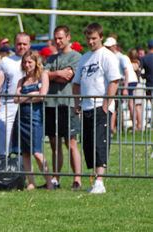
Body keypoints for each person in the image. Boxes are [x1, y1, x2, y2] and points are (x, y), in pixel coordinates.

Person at [72, 23, 120, 194]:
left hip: (101, 106)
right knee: (88, 144)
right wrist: (77, 103)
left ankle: (100, 180)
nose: (91, 41)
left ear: (100, 37)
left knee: (100, 142)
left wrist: (106, 104)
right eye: (88, 38)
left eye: (94, 38)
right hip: (86, 107)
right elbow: (76, 83)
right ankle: (94, 179)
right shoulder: (84, 58)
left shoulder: (107, 56)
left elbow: (114, 81)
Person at [44, 25, 82, 190]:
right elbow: (44, 74)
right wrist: (56, 74)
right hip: (51, 104)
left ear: (68, 37)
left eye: (61, 38)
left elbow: (68, 76)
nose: (58, 41)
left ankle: (77, 179)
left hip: (67, 104)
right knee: (54, 143)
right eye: (56, 38)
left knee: (71, 142)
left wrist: (52, 75)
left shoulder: (76, 57)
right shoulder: (51, 59)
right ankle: (55, 178)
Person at [13, 50, 53, 190]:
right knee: (25, 151)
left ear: (36, 63)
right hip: (21, 117)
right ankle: (31, 182)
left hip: (36, 117)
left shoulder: (43, 76)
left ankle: (49, 182)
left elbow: (42, 96)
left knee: (37, 152)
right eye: (25, 62)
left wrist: (25, 97)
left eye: (30, 62)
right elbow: (15, 99)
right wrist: (31, 95)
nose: (27, 65)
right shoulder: (21, 80)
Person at [0, 32, 31, 157]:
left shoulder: (35, 61)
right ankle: (2, 165)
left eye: (24, 44)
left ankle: (21, 169)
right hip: (8, 103)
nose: (22, 47)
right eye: (19, 44)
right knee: (4, 136)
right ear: (14, 45)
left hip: (27, 104)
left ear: (29, 45)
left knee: (23, 139)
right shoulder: (5, 61)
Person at [104, 37, 139, 134]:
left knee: (129, 103)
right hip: (123, 82)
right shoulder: (112, 56)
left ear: (114, 46)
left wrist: (125, 88)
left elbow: (126, 72)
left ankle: (135, 125)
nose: (107, 49)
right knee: (116, 105)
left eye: (109, 47)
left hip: (129, 81)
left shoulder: (121, 57)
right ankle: (114, 127)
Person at [127, 48, 143, 131]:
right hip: (139, 84)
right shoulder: (139, 63)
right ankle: (139, 124)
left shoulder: (131, 64)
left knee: (132, 105)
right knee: (138, 106)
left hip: (133, 84)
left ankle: (135, 124)